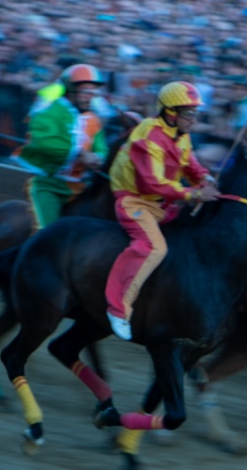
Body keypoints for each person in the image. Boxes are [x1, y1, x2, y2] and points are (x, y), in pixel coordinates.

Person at [104, 81, 219, 340]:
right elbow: (152, 182)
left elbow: (190, 164)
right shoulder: (150, 136)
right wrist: (195, 193)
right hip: (135, 201)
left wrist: (205, 178)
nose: (194, 119)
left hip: (163, 204)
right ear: (171, 112)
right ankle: (119, 309)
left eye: (195, 113)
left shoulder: (181, 134)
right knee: (154, 247)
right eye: (189, 113)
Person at [12, 63, 108, 229]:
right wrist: (80, 154)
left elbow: (101, 147)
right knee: (45, 234)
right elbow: (45, 143)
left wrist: (98, 159)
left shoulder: (94, 119)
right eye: (86, 92)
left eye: (94, 92)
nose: (91, 97)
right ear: (71, 91)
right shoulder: (50, 111)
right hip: (50, 186)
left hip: (81, 187)